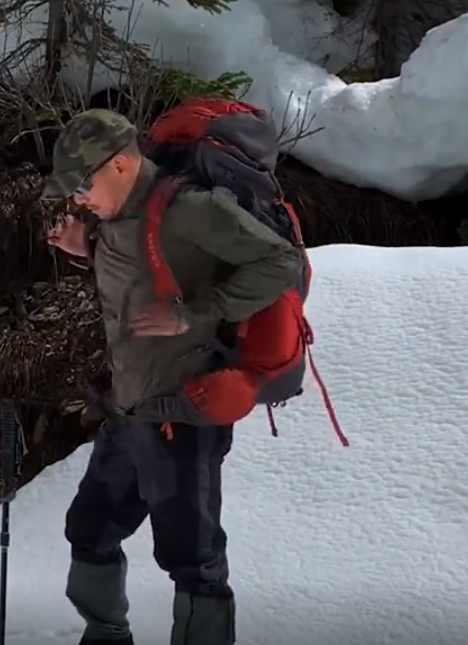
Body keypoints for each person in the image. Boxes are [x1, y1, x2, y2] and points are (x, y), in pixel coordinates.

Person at [43, 108, 304, 645]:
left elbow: (281, 264)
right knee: (89, 530)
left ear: (119, 164)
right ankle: (105, 635)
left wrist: (196, 313)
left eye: (82, 183)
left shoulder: (188, 210)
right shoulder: (117, 217)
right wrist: (84, 248)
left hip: (184, 420)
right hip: (129, 413)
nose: (77, 198)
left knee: (193, 562)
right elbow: (141, 266)